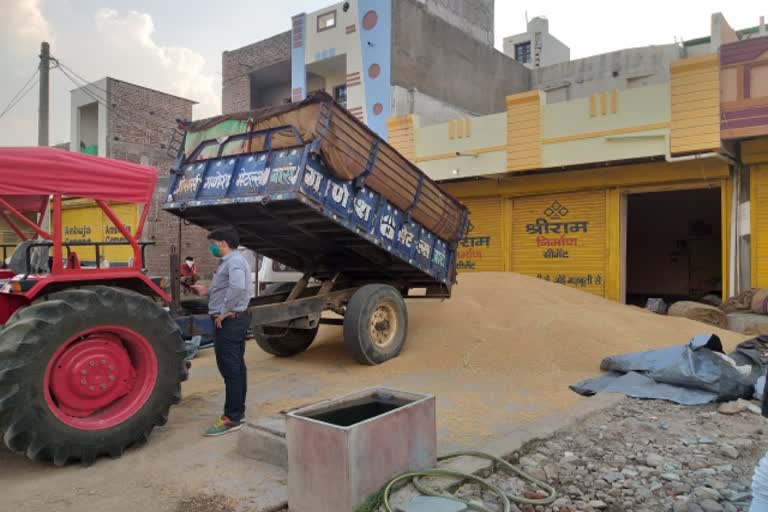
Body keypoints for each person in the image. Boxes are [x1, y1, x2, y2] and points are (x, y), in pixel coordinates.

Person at [204, 227, 252, 436]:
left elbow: (238, 287)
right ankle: (238, 412)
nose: (211, 247)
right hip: (235, 320)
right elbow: (227, 287)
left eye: (213, 243)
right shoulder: (230, 262)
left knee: (230, 369)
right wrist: (207, 290)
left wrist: (223, 312)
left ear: (222, 243)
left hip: (230, 322)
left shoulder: (233, 261)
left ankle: (231, 418)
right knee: (237, 368)